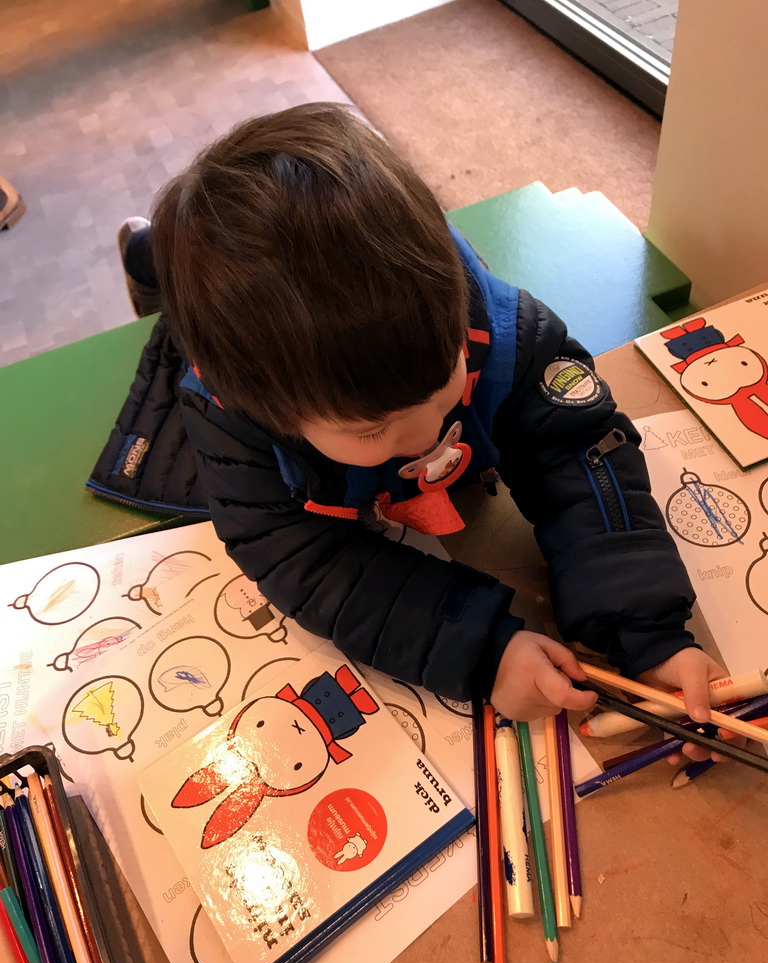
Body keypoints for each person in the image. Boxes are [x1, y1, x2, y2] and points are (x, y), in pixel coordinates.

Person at [106, 102, 726, 761]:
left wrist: (647, 630)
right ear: (273, 414)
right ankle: (151, 260)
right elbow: (306, 560)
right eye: (371, 428)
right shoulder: (233, 421)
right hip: (214, 319)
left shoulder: (501, 330)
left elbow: (576, 447)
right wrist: (484, 651)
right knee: (174, 286)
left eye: (443, 385)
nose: (426, 433)